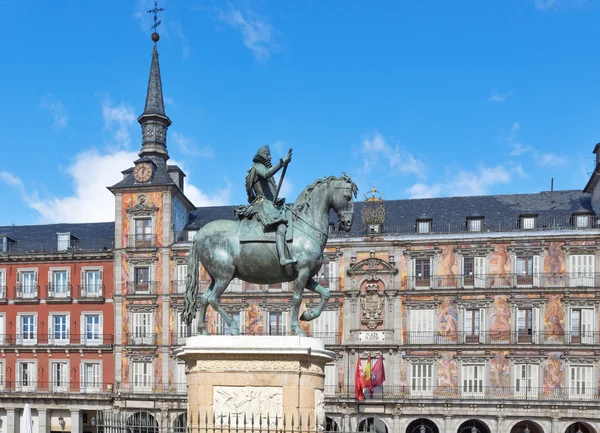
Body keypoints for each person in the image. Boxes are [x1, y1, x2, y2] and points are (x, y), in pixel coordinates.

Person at [239, 145, 296, 266]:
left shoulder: (259, 168)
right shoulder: (258, 167)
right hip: (264, 204)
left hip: (271, 203)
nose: (270, 158)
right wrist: (281, 163)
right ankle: (282, 258)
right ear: (263, 155)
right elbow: (266, 174)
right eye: (268, 155)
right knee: (281, 225)